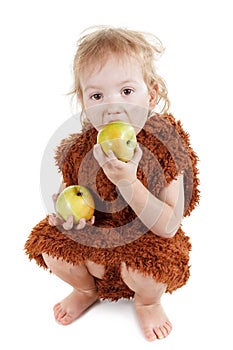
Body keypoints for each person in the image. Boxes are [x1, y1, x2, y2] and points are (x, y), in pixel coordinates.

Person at [25, 26, 199, 342]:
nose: (112, 106)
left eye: (127, 91)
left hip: (149, 240)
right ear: (83, 101)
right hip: (104, 241)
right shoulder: (80, 150)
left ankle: (148, 301)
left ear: (153, 93)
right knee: (52, 246)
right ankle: (85, 288)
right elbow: (78, 198)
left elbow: (169, 226)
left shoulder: (166, 146)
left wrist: (128, 182)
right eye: (97, 95)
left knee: (145, 269)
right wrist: (72, 219)